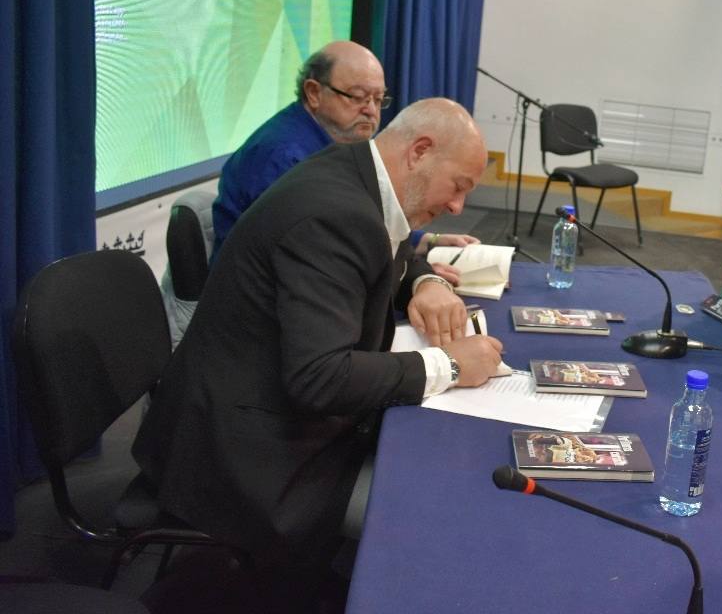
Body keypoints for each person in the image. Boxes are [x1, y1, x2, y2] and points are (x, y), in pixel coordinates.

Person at [133, 98, 503, 568]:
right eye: (459, 186)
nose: (457, 206)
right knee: (436, 504)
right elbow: (320, 378)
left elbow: (393, 240)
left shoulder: (358, 174)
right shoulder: (333, 214)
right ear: (420, 151)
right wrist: (449, 365)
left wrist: (425, 280)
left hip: (251, 405)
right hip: (243, 454)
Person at [210, 41, 475, 273]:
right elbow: (320, 250)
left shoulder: (339, 145)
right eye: (358, 97)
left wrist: (423, 241)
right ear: (314, 93)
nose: (371, 110)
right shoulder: (282, 155)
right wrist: (413, 276)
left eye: (378, 99)